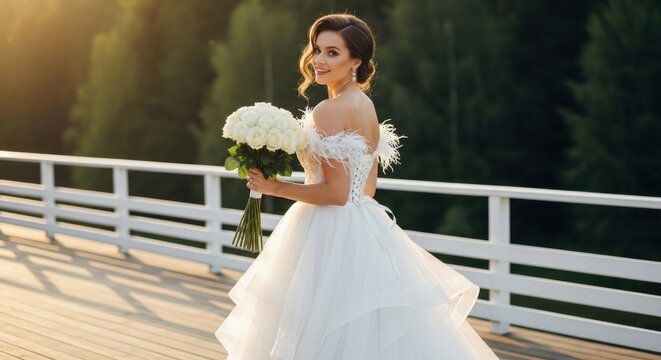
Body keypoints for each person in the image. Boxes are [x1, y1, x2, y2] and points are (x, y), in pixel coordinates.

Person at [215, 13, 499, 359]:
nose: (319, 60)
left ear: (356, 61)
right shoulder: (365, 105)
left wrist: (274, 188)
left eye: (333, 53)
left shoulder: (329, 111)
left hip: (328, 234)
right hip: (363, 226)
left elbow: (335, 194)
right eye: (317, 50)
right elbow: (366, 189)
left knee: (316, 330)